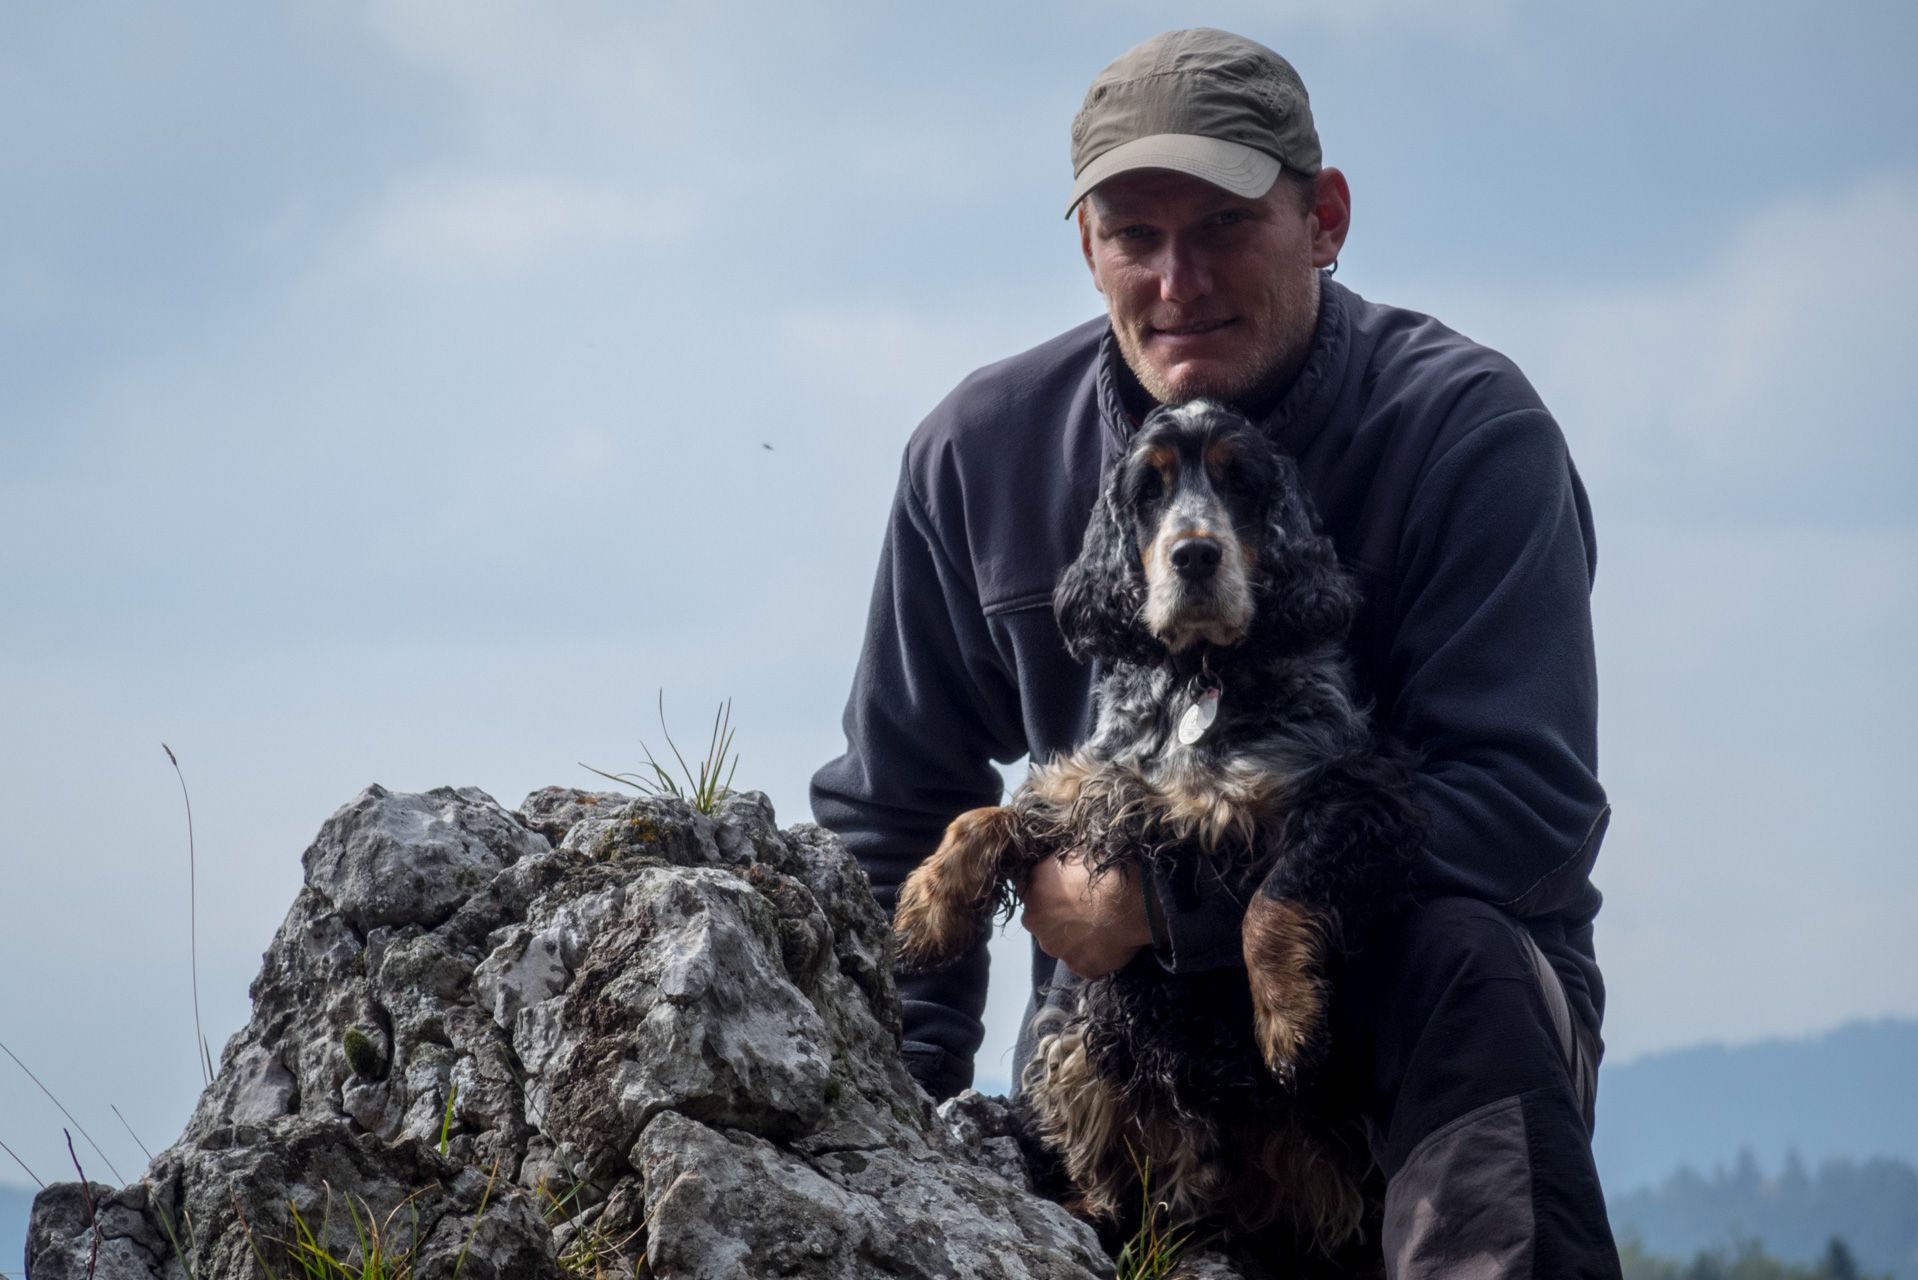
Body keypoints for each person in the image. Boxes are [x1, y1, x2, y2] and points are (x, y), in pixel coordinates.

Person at [812, 27, 1621, 1279]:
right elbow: (890, 813)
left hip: (1415, 1051)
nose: (1178, 278)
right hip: (1119, 1055)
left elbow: (1524, 807)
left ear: (1324, 217)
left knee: (1459, 953)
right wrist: (866, 1134)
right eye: (1136, 234)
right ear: (1086, 247)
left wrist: (1166, 907)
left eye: (1224, 225)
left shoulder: (1470, 431)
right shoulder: (980, 454)